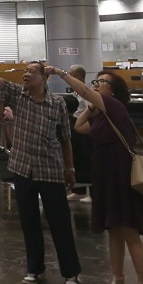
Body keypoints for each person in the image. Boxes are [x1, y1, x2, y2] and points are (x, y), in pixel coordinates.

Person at [0, 50, 82, 284]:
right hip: (23, 169)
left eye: (31, 72)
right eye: (25, 71)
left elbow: (66, 140)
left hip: (50, 170)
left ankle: (71, 272)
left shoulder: (57, 104)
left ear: (44, 78)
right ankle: (35, 268)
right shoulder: (19, 95)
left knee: (60, 223)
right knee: (29, 221)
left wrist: (70, 169)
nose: (26, 74)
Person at [54, 68, 143, 284]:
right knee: (113, 229)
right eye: (95, 81)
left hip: (120, 173)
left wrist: (61, 74)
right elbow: (79, 126)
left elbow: (84, 91)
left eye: (102, 82)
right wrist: (91, 108)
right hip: (105, 173)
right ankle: (118, 277)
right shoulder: (102, 115)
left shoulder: (114, 105)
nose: (96, 85)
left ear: (113, 91)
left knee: (129, 231)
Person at [65, 65, 93, 204]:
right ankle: (78, 191)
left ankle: (92, 193)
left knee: (87, 160)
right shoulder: (76, 91)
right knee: (78, 161)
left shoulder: (85, 92)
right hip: (74, 127)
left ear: (77, 76)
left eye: (70, 74)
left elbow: (90, 110)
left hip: (83, 129)